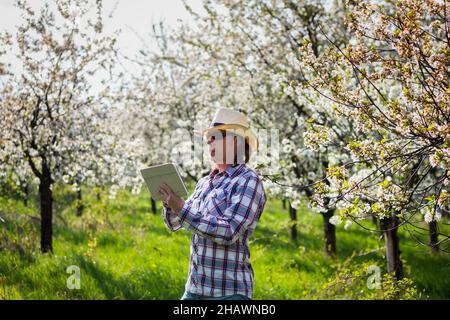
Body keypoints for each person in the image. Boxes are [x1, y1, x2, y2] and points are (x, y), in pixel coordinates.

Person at [158, 107, 266, 300]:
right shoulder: (204, 182)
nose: (208, 142)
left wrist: (181, 208)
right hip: (194, 289)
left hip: (229, 293)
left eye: (215, 137)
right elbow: (175, 224)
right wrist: (170, 203)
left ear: (234, 141)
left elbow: (229, 231)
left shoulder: (248, 180)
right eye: (208, 139)